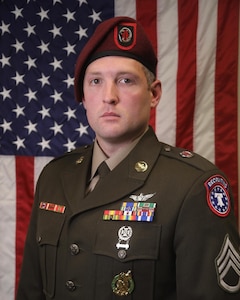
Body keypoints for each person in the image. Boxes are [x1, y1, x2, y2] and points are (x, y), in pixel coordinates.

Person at [17, 16, 240, 300]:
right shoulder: (54, 176)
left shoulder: (193, 185)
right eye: (96, 81)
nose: (109, 96)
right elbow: (31, 292)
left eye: (125, 80)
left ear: (154, 94)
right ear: (83, 96)